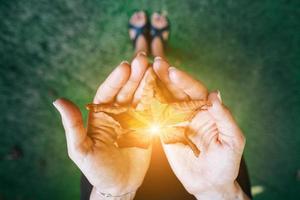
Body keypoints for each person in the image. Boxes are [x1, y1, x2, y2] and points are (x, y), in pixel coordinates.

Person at [53, 11, 252, 200]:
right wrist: (216, 191)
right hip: (194, 151)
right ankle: (156, 51)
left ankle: (143, 48)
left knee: (140, 80)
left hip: (123, 160)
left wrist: (115, 192)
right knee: (163, 80)